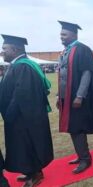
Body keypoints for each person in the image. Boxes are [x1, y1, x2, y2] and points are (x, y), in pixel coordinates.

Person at [0, 34, 53, 186]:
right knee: (22, 145)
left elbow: (21, 94)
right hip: (19, 117)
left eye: (5, 49)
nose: (2, 52)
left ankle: (35, 173)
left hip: (23, 118)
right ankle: (31, 171)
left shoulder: (23, 66)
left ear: (15, 49)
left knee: (27, 144)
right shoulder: (19, 65)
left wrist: (9, 113)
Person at [56, 21, 93, 174]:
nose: (61, 37)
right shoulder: (65, 51)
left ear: (74, 35)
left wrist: (79, 96)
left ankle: (85, 159)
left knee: (77, 128)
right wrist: (58, 96)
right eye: (61, 34)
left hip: (77, 99)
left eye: (64, 34)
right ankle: (81, 155)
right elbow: (61, 76)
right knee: (72, 128)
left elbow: (86, 74)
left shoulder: (82, 50)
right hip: (66, 98)